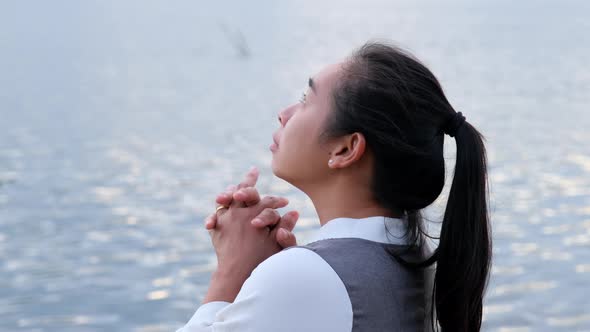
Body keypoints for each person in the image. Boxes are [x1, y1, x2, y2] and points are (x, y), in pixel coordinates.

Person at [176, 41, 492, 332]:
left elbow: (312, 286)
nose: (284, 114)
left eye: (305, 100)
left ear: (345, 149)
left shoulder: (305, 276)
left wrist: (232, 272)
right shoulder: (410, 254)